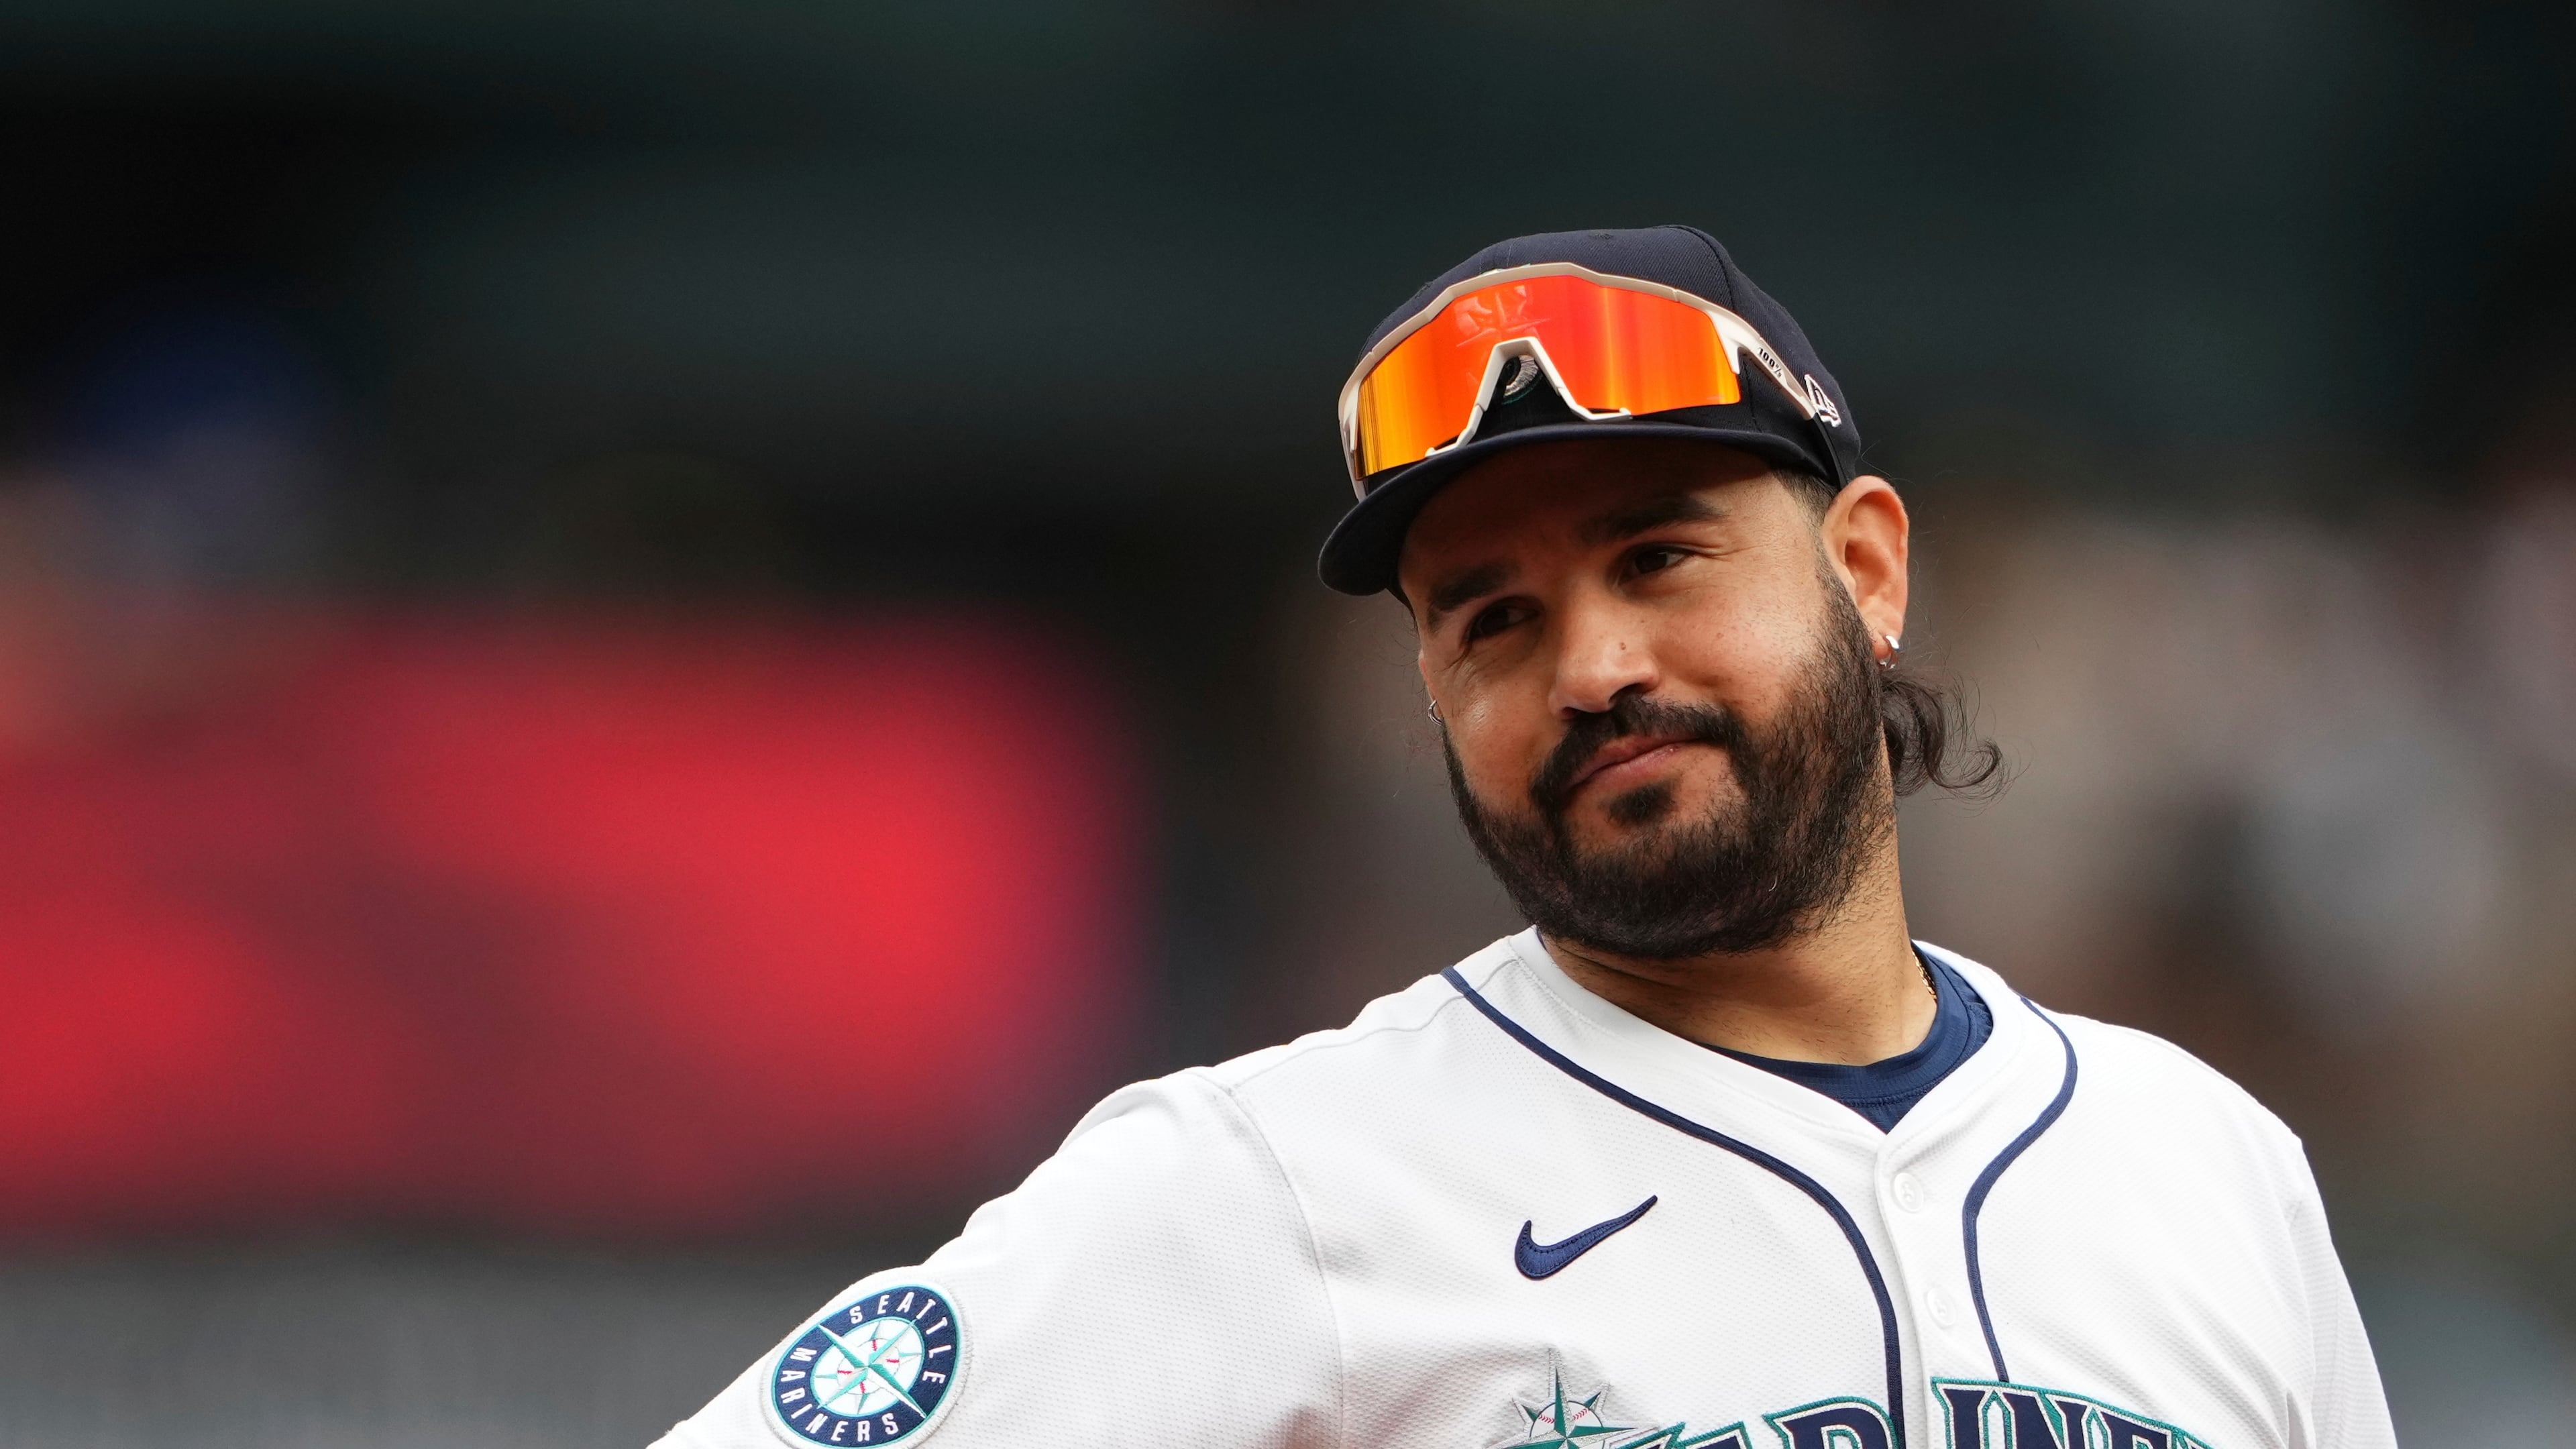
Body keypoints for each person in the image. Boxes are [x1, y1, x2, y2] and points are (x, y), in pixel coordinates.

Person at [653, 226, 2397, 1449]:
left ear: (1864, 567)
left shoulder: (2206, 1172)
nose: (1594, 669)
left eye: (1658, 559)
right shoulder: (1282, 1189)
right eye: (1493, 620)